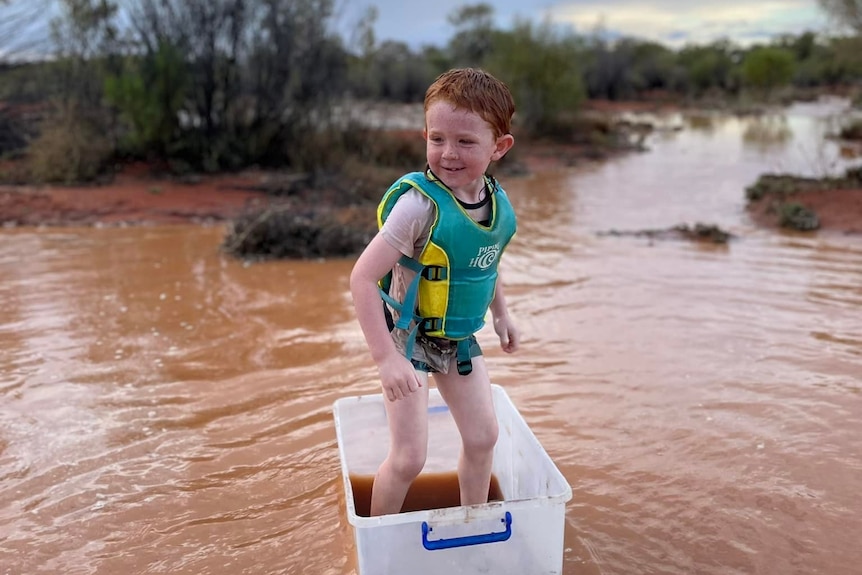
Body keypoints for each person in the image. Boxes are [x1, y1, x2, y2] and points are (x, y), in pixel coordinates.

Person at [349, 68, 520, 517]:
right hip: (406, 340)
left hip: (457, 337)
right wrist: (386, 359)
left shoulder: (494, 202)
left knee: (484, 437)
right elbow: (362, 279)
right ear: (425, 134)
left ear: (499, 147)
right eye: (438, 138)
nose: (448, 153)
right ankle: (380, 543)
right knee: (409, 459)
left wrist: (502, 313)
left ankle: (473, 525)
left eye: (466, 142)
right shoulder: (418, 207)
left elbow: (485, 258)